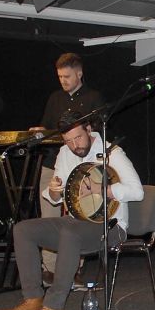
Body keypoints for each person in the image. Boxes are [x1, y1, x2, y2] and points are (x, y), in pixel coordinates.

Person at [0, 112, 143, 310]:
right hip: (76, 224)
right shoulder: (65, 152)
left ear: (89, 130)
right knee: (23, 230)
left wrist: (106, 190)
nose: (74, 145)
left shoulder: (113, 153)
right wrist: (54, 192)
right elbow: (57, 196)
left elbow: (137, 192)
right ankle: (33, 299)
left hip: (110, 226)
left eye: (78, 138)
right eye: (68, 141)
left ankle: (54, 308)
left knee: (69, 233)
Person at [30, 53, 104, 283]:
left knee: (79, 215)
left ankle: (75, 268)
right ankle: (49, 269)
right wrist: (40, 132)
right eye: (60, 76)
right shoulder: (54, 98)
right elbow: (49, 128)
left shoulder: (94, 98)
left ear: (79, 73)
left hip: (81, 167)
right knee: (49, 216)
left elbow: (98, 133)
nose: (63, 80)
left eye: (67, 76)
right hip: (53, 162)